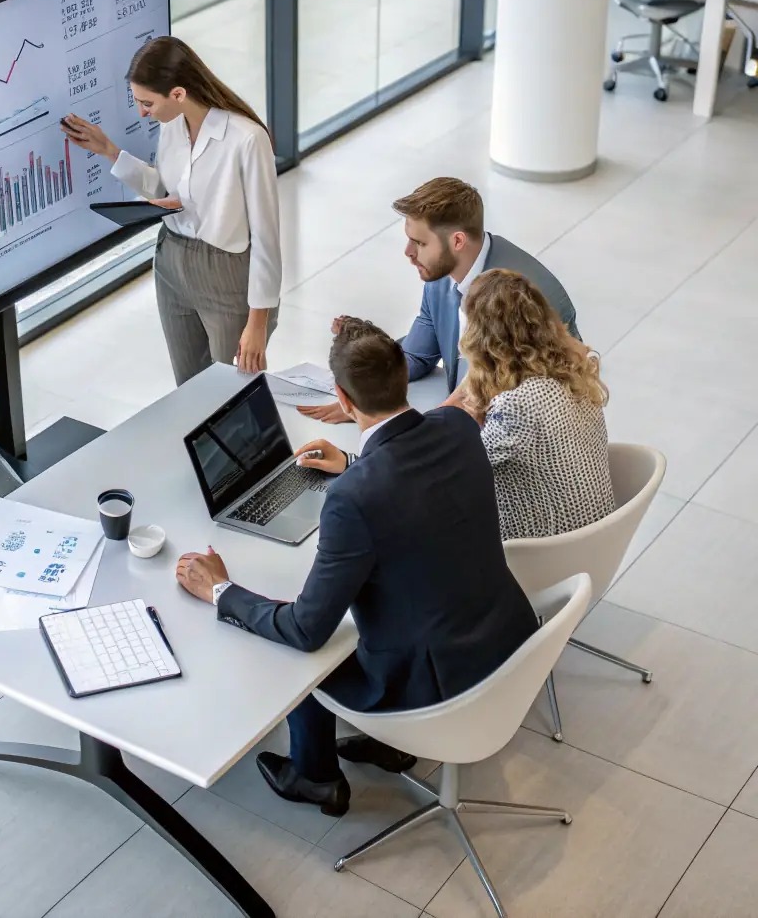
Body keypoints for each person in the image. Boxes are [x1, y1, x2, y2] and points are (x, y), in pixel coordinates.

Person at [175, 317, 538, 816]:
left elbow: (306, 629)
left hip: (435, 686)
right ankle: (388, 748)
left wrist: (221, 590)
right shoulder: (457, 427)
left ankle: (315, 775)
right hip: (507, 643)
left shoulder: (353, 500)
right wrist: (352, 463)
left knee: (293, 635)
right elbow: (417, 481)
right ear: (403, 378)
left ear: (343, 401)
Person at [61, 37, 280, 386]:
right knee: (190, 392)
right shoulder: (171, 125)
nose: (142, 113)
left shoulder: (247, 139)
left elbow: (267, 238)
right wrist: (108, 150)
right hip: (171, 264)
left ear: (177, 93)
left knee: (234, 394)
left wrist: (258, 323)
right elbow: (168, 189)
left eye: (147, 103)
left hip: (226, 273)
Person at [300, 176, 580, 425]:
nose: (408, 252)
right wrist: (361, 396)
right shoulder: (443, 276)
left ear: (457, 241)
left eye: (420, 243)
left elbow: (484, 407)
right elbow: (417, 354)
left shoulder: (523, 302)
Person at [446, 268, 614, 541]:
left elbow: (455, 468)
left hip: (546, 556)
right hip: (597, 542)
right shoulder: (573, 373)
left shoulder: (516, 405)